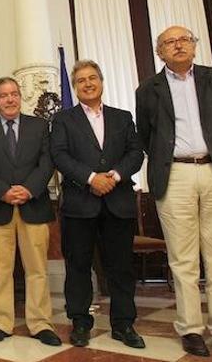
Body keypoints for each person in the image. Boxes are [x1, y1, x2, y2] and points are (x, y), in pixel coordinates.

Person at [136, 26, 212, 359]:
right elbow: (146, 135)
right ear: (160, 53)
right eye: (170, 42)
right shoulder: (148, 90)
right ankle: (190, 329)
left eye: (184, 40)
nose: (178, 45)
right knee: (183, 258)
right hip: (175, 174)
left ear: (194, 46)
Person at [50, 61, 145, 348]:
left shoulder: (122, 117)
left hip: (118, 201)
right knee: (78, 266)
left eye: (93, 78)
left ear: (102, 82)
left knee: (120, 266)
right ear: (75, 86)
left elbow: (135, 153)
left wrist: (114, 176)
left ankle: (124, 324)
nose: (87, 83)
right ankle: (80, 322)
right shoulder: (64, 120)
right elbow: (60, 155)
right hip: (80, 204)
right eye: (81, 80)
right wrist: (91, 178)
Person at [0, 77, 61, 347]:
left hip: (33, 206)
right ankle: (1, 321)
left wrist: (29, 189)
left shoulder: (39, 127)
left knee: (37, 269)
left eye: (14, 94)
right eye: (3, 95)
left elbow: (47, 162)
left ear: (20, 96)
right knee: (1, 270)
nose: (10, 99)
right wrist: (2, 191)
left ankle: (40, 323)